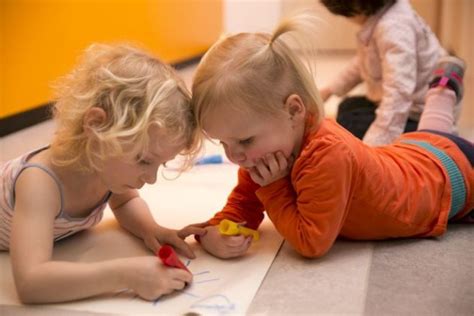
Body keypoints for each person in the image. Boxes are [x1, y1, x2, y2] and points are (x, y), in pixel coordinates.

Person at [188, 12, 473, 260]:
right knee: (431, 135)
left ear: (293, 111)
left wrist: (275, 189)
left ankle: (441, 93)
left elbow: (311, 242)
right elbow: (244, 202)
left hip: (451, 182)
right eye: (223, 143)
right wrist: (215, 230)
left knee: (436, 144)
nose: (234, 155)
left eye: (244, 141)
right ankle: (441, 91)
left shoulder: (326, 156)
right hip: (415, 152)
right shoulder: (263, 153)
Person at [0, 44, 206, 303]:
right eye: (143, 160)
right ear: (97, 126)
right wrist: (125, 275)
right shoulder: (39, 184)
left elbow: (126, 201)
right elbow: (31, 284)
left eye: (160, 165)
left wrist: (149, 229)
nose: (151, 179)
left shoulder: (106, 170)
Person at [318, 0, 449, 146]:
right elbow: (363, 63)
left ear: (357, 6)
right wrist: (329, 90)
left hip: (417, 115)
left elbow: (399, 93)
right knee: (348, 106)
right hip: (405, 104)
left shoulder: (394, 28)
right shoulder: (386, 15)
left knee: (351, 121)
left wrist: (375, 145)